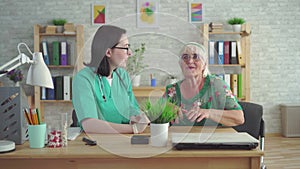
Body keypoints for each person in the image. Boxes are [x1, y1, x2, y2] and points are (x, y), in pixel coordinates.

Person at [72, 25, 149, 134]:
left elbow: (132, 108)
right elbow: (89, 125)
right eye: (125, 47)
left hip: (123, 141)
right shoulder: (83, 79)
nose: (130, 52)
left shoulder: (123, 76)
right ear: (108, 52)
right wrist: (133, 129)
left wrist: (139, 117)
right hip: (93, 143)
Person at [164, 42, 244, 126]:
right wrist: (168, 109)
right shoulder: (172, 90)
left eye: (196, 57)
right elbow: (152, 115)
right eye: (185, 57)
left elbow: (239, 118)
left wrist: (208, 113)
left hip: (215, 137)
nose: (190, 61)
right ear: (180, 64)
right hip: (179, 137)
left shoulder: (216, 84)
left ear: (204, 64)